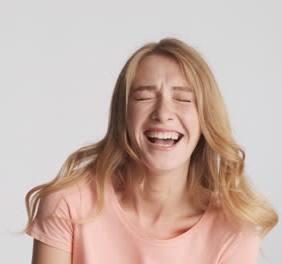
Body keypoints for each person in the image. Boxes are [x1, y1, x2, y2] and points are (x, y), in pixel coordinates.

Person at [22, 38, 278, 263]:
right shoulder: (68, 205)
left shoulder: (233, 231)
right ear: (123, 115)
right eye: (144, 97)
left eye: (183, 99)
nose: (163, 113)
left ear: (205, 119)